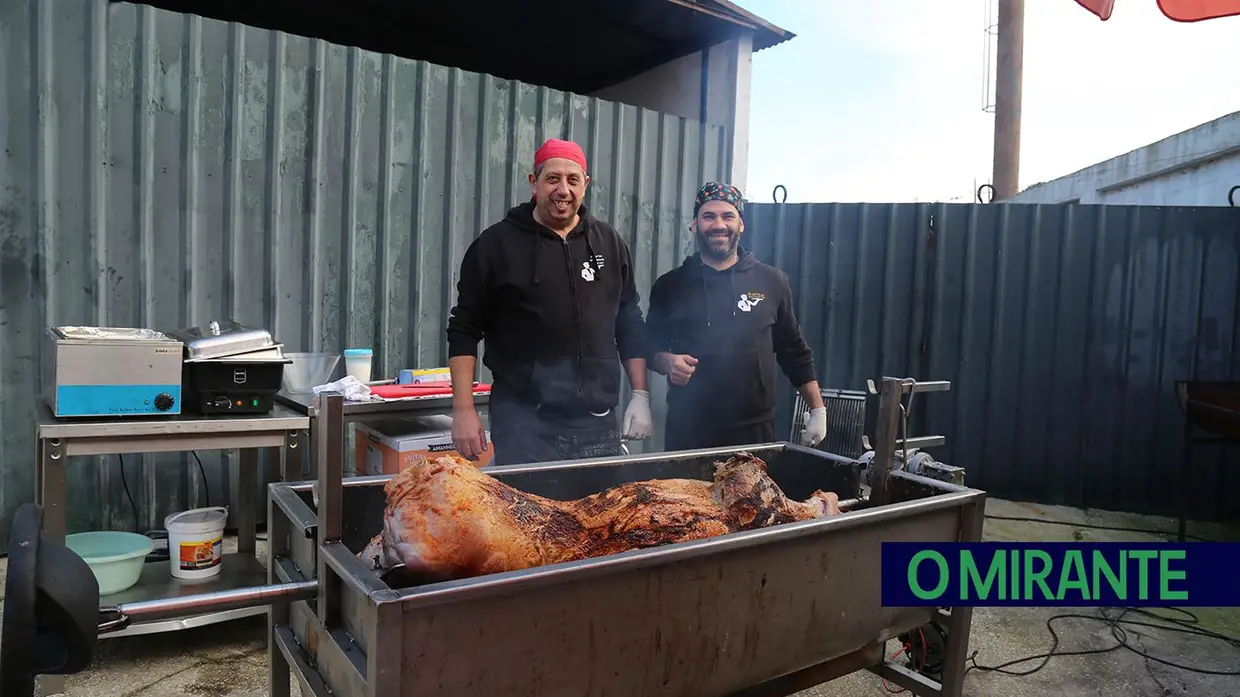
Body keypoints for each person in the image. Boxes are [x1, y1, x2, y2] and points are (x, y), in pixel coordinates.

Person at [445, 138, 652, 465]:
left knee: (597, 515)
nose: (563, 190)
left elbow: (629, 323)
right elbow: (464, 330)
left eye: (573, 180)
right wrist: (463, 410)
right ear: (534, 182)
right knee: (527, 515)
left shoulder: (609, 242)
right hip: (525, 424)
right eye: (552, 178)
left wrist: (640, 395)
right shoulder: (496, 245)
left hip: (597, 423)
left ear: (586, 184)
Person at [645, 181, 828, 452]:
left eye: (727, 215)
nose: (719, 224)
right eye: (708, 216)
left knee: (750, 497)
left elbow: (794, 350)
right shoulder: (669, 285)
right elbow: (648, 348)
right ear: (694, 224)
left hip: (754, 432)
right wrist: (666, 361)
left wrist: (817, 410)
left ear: (741, 224)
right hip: (688, 431)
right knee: (682, 496)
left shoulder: (771, 281)